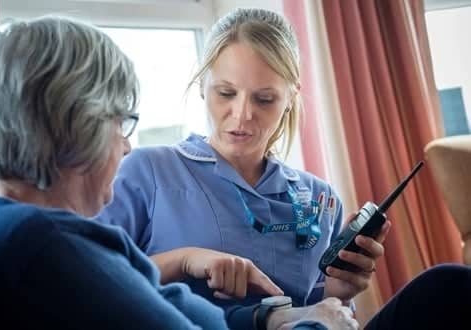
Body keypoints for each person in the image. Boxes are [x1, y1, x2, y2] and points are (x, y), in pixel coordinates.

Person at [0, 15, 358, 330]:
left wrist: (270, 319)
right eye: (119, 124)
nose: (125, 145)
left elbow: (163, 305)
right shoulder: (46, 246)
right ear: (74, 127)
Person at [96, 7, 471, 330]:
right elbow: (91, 274)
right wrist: (185, 260)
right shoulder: (148, 170)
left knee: (448, 286)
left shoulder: (320, 199)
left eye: (264, 99)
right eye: (225, 92)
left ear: (291, 97)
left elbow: (319, 311)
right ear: (201, 85)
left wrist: (339, 293)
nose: (241, 114)